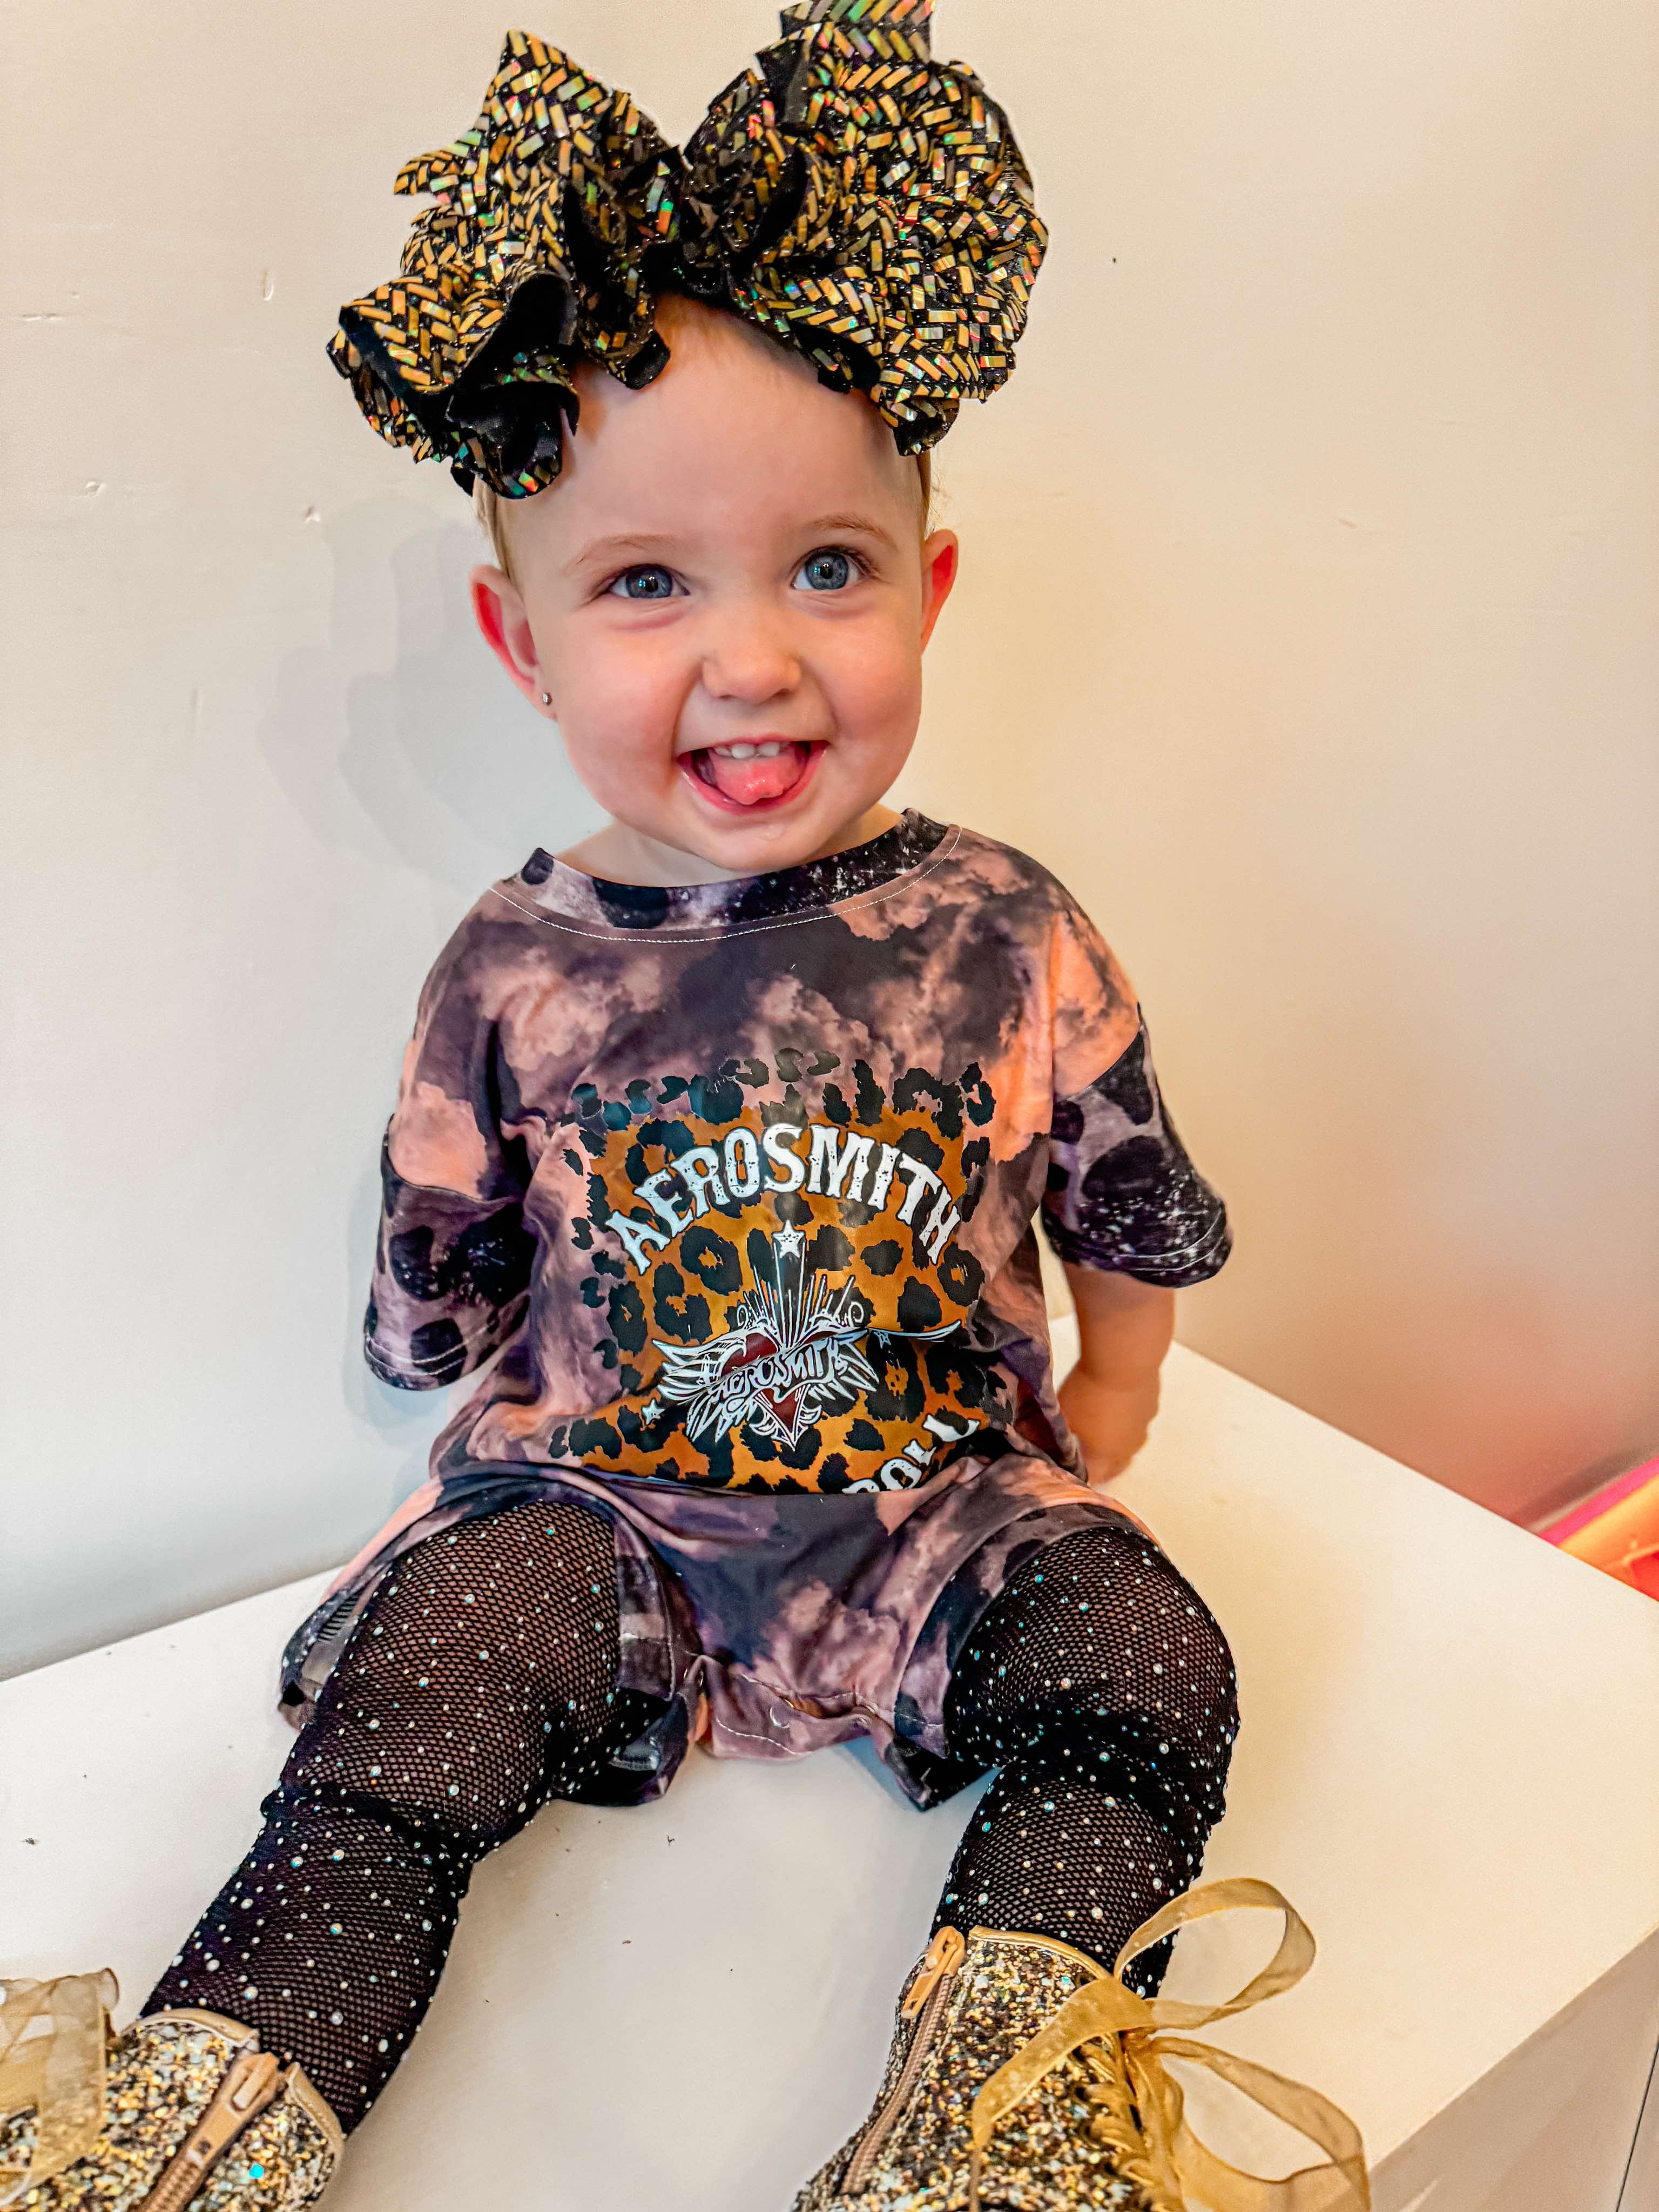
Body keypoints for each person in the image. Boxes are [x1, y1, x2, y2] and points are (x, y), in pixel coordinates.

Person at [0, 8, 1366, 2208]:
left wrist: (1121, 1379)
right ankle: (210, 2102)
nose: (752, 657)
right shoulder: (514, 966)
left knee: (1152, 1663)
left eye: (827, 566)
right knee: (414, 1711)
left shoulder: (1007, 926)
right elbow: (439, 1272)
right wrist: (438, 1355)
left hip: (933, 1515)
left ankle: (997, 2111)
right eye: (647, 582)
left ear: (927, 587)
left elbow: (1121, 1178)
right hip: (599, 1520)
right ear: (519, 637)